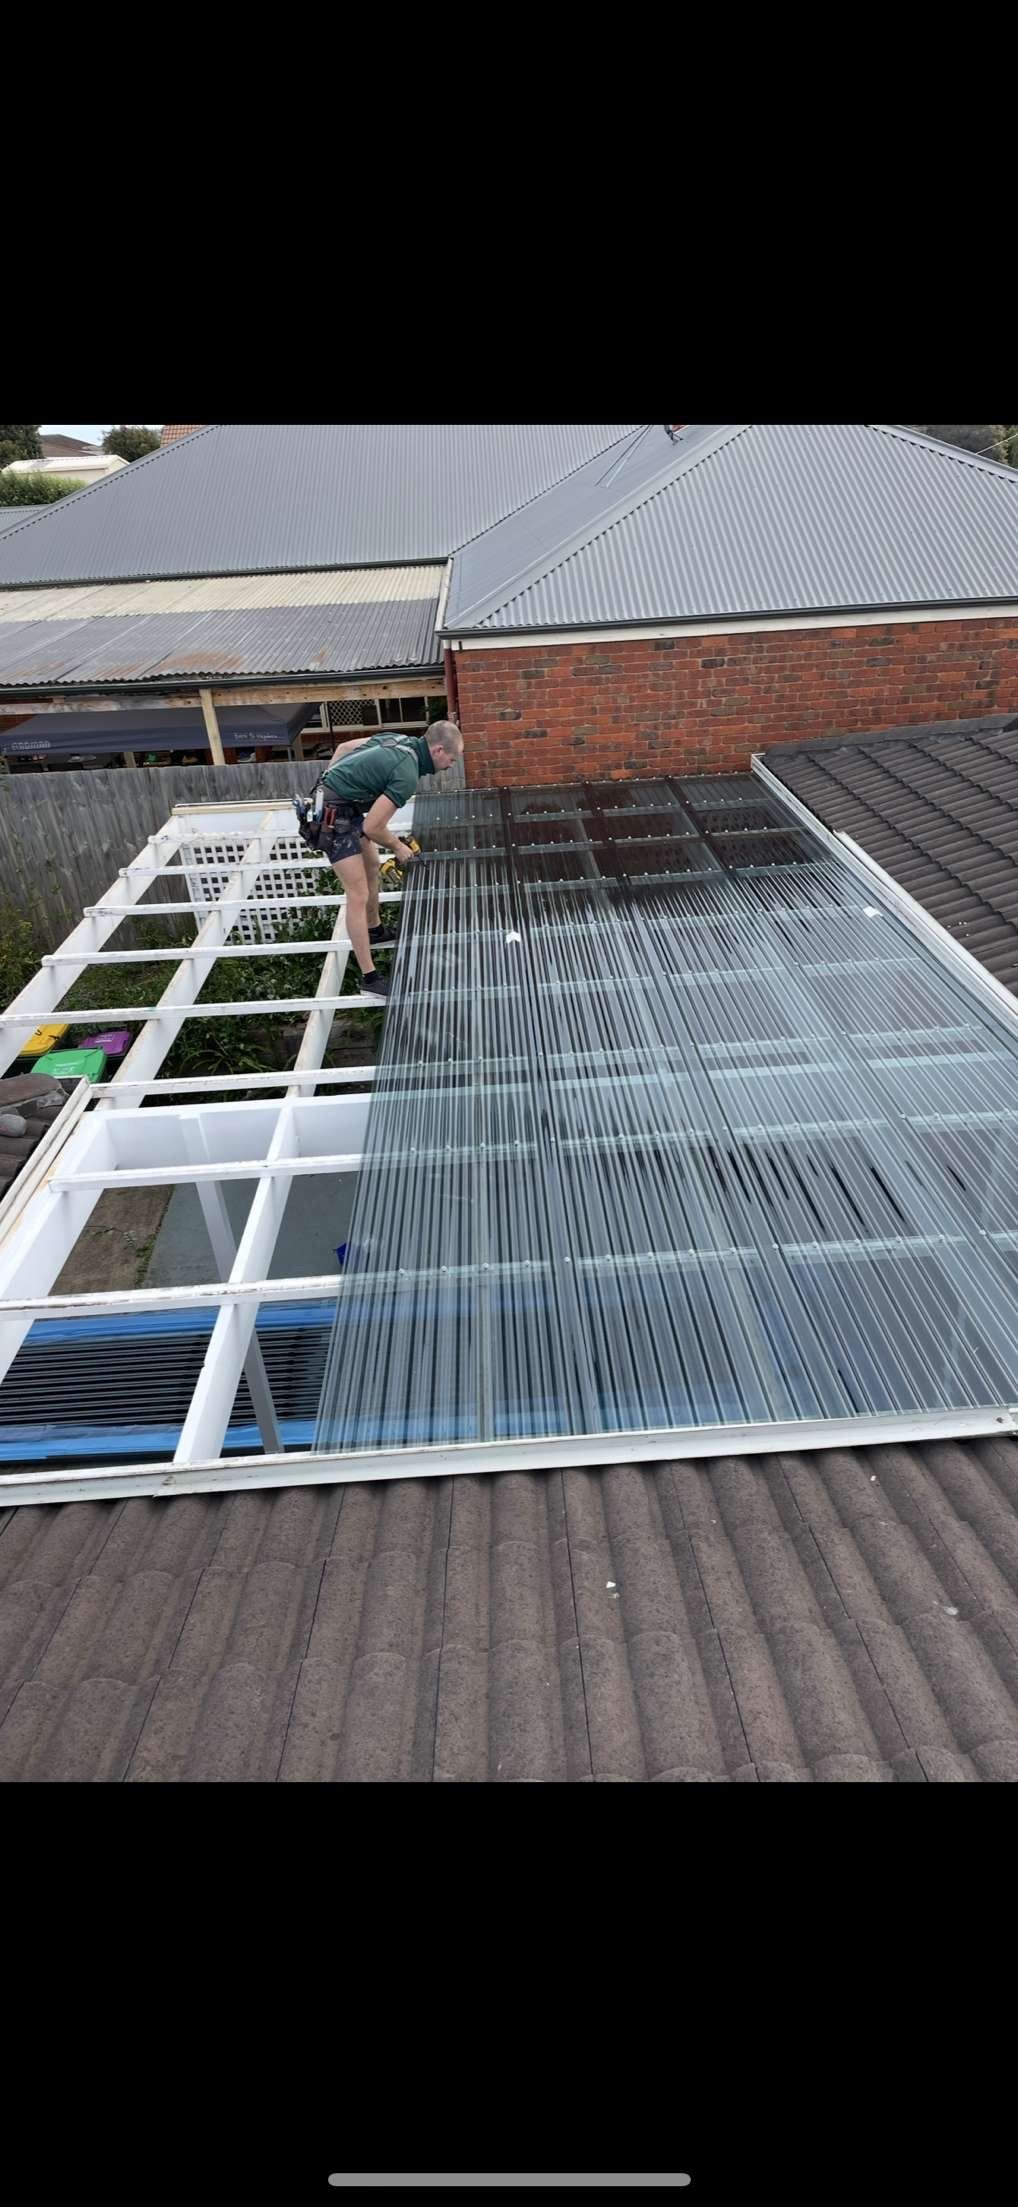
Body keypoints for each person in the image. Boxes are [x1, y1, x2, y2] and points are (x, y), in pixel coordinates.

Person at [315, 720, 463, 997]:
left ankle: (375, 929)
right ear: (439, 750)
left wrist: (330, 782)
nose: (451, 765)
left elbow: (345, 747)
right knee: (356, 893)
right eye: (451, 759)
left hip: (341, 806)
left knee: (371, 864)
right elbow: (373, 827)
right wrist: (398, 847)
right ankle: (369, 979)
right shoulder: (406, 774)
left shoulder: (399, 740)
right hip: (333, 819)